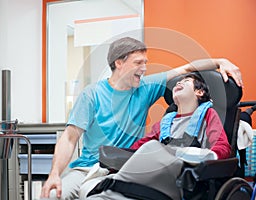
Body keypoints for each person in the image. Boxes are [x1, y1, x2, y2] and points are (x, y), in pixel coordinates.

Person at [40, 37, 243, 199]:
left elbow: (188, 68)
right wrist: (54, 174)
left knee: (92, 195)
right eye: (138, 62)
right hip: (87, 167)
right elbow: (69, 138)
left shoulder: (146, 87)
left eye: (145, 62)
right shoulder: (92, 94)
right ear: (119, 63)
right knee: (50, 195)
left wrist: (220, 61)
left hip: (121, 167)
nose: (144, 68)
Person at [86, 73, 231, 200]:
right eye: (177, 82)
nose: (179, 82)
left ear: (199, 92)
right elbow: (141, 146)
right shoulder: (166, 122)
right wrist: (118, 158)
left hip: (183, 176)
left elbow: (223, 147)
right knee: (141, 150)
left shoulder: (208, 115)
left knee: (153, 147)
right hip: (155, 173)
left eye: (186, 82)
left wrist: (199, 156)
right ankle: (111, 188)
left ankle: (110, 191)